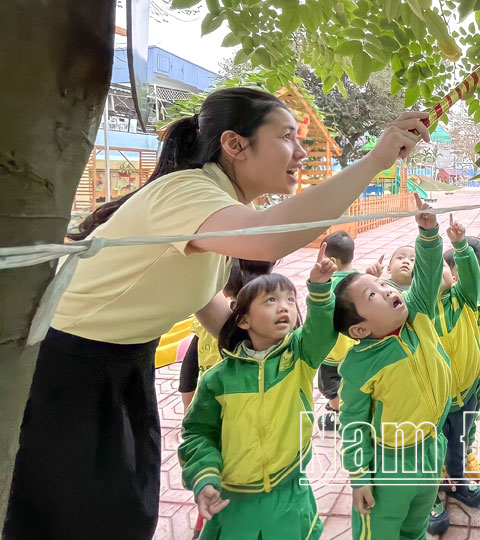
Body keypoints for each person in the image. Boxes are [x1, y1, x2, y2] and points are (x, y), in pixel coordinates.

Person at [4, 86, 429, 539]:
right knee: (66, 519)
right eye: (287, 137)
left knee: (124, 511)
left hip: (126, 363)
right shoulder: (187, 192)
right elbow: (271, 236)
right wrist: (372, 162)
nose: (301, 152)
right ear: (234, 145)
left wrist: (272, 352)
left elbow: (210, 304)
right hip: (67, 369)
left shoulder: (218, 209)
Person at [178, 246, 338, 540]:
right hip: (234, 502)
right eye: (271, 300)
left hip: (289, 496)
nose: (284, 307)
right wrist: (204, 477)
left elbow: (322, 330)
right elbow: (197, 433)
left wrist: (320, 288)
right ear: (243, 320)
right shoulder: (219, 380)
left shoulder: (299, 358)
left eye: (291, 300)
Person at [333, 201, 454, 540]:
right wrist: (359, 478)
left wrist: (429, 235)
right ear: (359, 329)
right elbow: (353, 422)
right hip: (391, 464)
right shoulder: (360, 365)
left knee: (415, 528)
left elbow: (428, 276)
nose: (387, 290)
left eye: (383, 285)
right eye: (373, 295)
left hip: (431, 448)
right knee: (381, 532)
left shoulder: (417, 316)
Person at [428, 217, 480, 535]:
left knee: (459, 441)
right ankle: (433, 495)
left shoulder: (465, 299)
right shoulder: (417, 310)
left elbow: (471, 276)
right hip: (435, 400)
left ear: (455, 273)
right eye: (429, 268)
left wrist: (461, 246)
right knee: (433, 447)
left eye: (443, 266)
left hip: (467, 390)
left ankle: (459, 479)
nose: (438, 272)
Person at [179, 259, 275, 410]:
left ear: (223, 289)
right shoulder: (270, 327)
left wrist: (187, 404)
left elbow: (189, 366)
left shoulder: (206, 321)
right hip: (244, 404)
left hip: (215, 398)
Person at [455, 236, 480, 481]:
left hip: (479, 374)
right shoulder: (454, 294)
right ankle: (449, 461)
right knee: (452, 420)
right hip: (455, 376)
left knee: (468, 417)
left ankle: (466, 453)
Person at [315, 230, 358, 430]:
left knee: (329, 385)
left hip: (332, 350)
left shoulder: (327, 284)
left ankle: (339, 413)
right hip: (356, 348)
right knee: (352, 381)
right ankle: (350, 405)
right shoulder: (361, 281)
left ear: (332, 260)